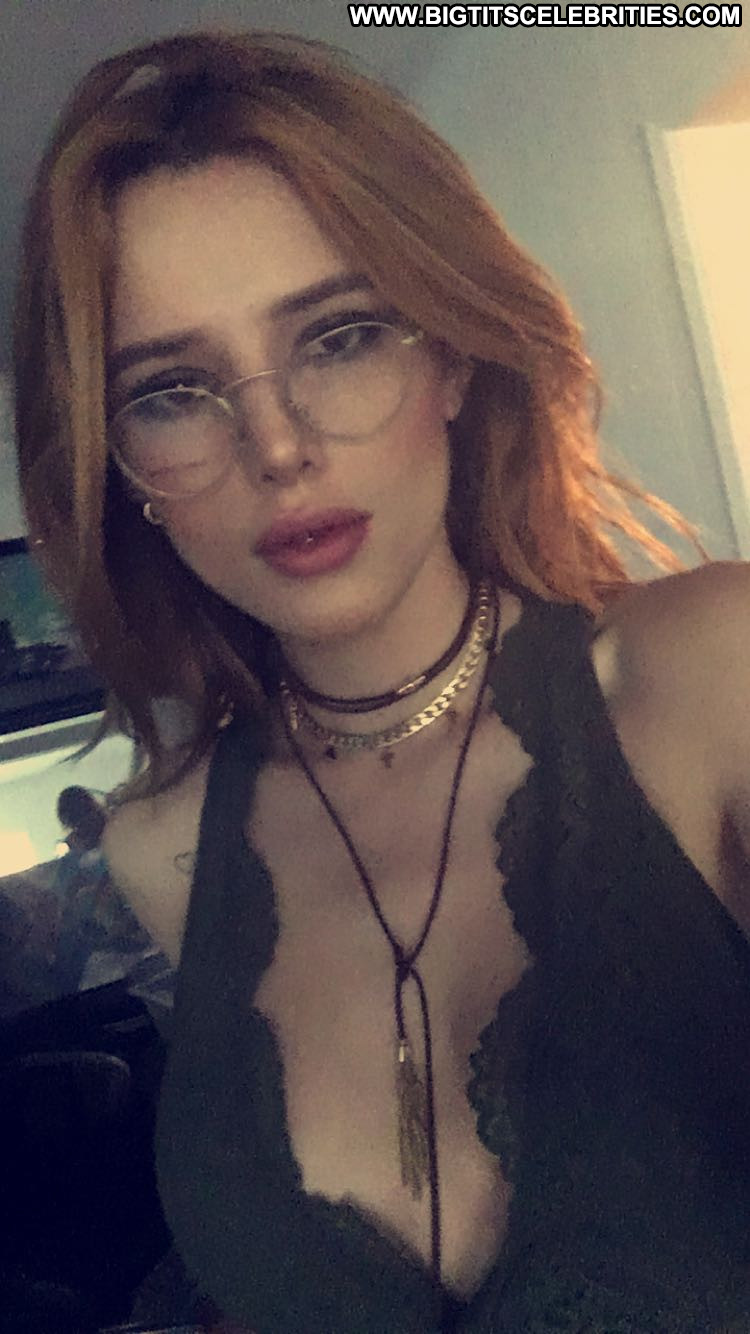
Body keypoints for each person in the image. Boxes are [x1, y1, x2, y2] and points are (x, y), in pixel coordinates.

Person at [13, 28, 750, 1334]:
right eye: (174, 390)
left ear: (453, 355)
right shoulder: (163, 848)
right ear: (118, 461)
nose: (278, 446)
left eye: (340, 335)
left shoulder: (706, 674)